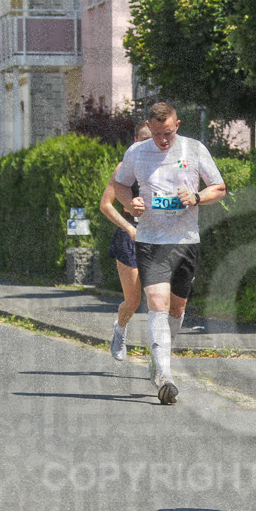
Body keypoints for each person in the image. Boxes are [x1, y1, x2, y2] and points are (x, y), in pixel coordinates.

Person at [113, 102, 226, 404]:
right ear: (149, 128)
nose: (163, 139)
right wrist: (130, 202)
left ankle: (158, 359)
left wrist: (198, 196)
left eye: (168, 132)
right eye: (157, 133)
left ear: (177, 124)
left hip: (186, 240)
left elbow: (219, 187)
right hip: (150, 239)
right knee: (157, 302)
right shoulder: (136, 153)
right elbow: (120, 185)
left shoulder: (194, 149)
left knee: (177, 310)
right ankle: (164, 374)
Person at [100, 120, 151, 361]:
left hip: (159, 237)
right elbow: (106, 205)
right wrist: (129, 228)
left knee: (159, 300)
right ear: (135, 142)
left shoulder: (165, 168)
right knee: (133, 301)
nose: (148, 144)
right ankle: (120, 330)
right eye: (143, 140)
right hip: (131, 236)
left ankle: (158, 356)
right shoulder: (124, 168)